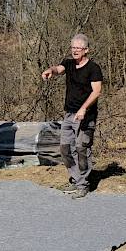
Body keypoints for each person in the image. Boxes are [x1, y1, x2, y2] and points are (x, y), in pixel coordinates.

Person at [41, 33, 103, 199]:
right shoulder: (68, 64)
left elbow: (97, 91)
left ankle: (83, 184)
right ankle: (76, 179)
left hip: (85, 116)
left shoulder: (93, 68)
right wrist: (50, 71)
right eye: (73, 47)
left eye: (78, 48)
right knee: (65, 148)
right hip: (69, 114)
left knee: (82, 148)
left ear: (86, 50)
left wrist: (83, 109)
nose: (75, 51)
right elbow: (58, 69)